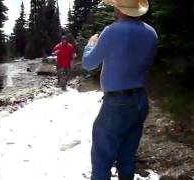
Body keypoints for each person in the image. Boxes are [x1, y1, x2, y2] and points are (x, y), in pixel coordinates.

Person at [82, 0, 158, 179]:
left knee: (102, 156)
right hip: (140, 99)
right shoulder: (151, 32)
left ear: (119, 8)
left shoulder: (112, 30)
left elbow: (88, 63)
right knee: (127, 155)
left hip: (117, 101)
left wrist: (91, 44)